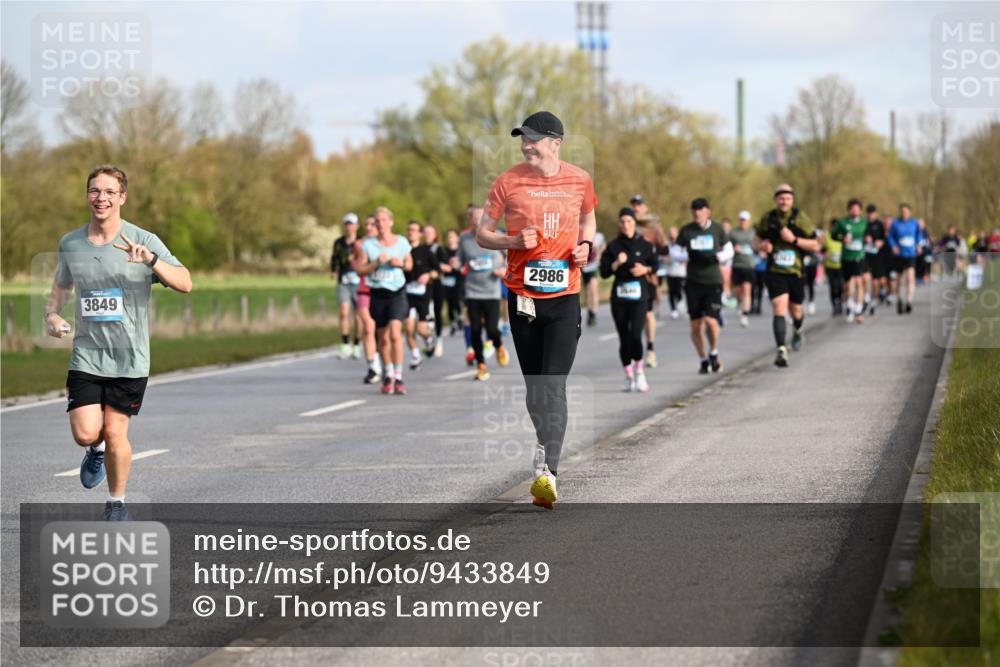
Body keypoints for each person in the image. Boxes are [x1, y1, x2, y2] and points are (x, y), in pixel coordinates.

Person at [45, 165, 193, 521]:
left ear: (122, 197)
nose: (102, 198)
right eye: (95, 191)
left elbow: (186, 282)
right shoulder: (71, 243)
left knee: (115, 431)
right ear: (87, 196)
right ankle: (92, 451)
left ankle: (116, 504)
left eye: (110, 192)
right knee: (86, 433)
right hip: (87, 355)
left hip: (130, 357)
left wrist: (152, 261)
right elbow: (63, 284)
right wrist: (52, 314)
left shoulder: (143, 240)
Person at [475, 111, 597, 510]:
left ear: (555, 143)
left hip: (564, 299)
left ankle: (549, 474)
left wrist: (586, 246)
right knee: (534, 390)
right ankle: (544, 444)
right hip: (523, 299)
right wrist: (511, 240)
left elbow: (589, 218)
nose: (526, 145)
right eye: (522, 140)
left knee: (553, 385)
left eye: (533, 139)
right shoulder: (507, 181)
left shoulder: (579, 179)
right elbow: (482, 234)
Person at [755, 184, 820, 368]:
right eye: (781, 198)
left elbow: (815, 245)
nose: (784, 201)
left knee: (796, 310)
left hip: (796, 271)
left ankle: (798, 329)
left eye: (788, 198)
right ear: (776, 199)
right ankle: (781, 349)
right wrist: (762, 245)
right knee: (779, 306)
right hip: (775, 271)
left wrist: (794, 240)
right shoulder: (768, 218)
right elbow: (757, 238)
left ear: (792, 200)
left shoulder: (800, 218)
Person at [356, 207, 413, 394]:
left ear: (391, 222)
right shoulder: (368, 245)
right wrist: (376, 263)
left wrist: (401, 264)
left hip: (397, 292)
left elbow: (409, 264)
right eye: (377, 221)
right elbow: (360, 270)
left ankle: (398, 377)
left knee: (396, 333)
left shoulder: (402, 242)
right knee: (383, 337)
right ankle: (387, 374)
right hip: (378, 294)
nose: (380, 224)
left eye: (383, 220)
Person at [600, 207, 658, 391]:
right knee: (624, 338)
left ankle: (639, 371)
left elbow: (655, 265)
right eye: (622, 221)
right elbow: (604, 272)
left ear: (634, 223)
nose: (626, 225)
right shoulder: (613, 246)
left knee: (635, 335)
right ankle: (628, 375)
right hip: (619, 298)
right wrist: (617, 262)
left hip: (639, 297)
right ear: (619, 224)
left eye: (629, 221)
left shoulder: (645, 245)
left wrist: (645, 270)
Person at [677, 198, 732, 373]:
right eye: (694, 210)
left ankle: (714, 352)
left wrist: (716, 258)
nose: (697, 213)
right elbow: (675, 251)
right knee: (695, 326)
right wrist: (688, 256)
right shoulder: (686, 231)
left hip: (713, 281)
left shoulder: (717, 229)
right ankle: (703, 359)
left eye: (700, 209)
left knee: (711, 321)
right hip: (693, 282)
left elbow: (729, 249)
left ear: (708, 211)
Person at [458, 213, 509, 381]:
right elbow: (459, 261)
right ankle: (481, 365)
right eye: (473, 218)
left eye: (479, 218)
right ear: (470, 221)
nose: (476, 221)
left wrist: (503, 270)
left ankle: (499, 345)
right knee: (475, 329)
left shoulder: (498, 237)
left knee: (492, 328)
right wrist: (456, 265)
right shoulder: (464, 240)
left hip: (492, 291)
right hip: (472, 291)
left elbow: (511, 258)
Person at [404, 220, 436, 370]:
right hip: (407, 294)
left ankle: (429, 338)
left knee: (420, 329)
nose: (411, 232)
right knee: (409, 328)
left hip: (422, 295)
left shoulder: (426, 251)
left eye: (414, 230)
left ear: (420, 234)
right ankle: (416, 355)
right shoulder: (403, 250)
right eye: (409, 230)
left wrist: (428, 275)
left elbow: (437, 271)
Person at [831, 198, 869, 324]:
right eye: (853, 208)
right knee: (847, 285)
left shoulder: (864, 222)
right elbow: (833, 235)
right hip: (846, 257)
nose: (855, 210)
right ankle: (849, 303)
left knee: (858, 280)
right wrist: (842, 238)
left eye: (857, 208)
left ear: (860, 210)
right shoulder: (842, 223)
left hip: (859, 256)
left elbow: (871, 235)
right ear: (849, 210)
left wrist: (870, 239)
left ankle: (858, 310)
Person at [331, 212, 363, 359]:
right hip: (343, 280)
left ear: (356, 226)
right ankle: (345, 344)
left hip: (358, 281)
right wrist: (333, 271)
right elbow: (334, 258)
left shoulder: (362, 243)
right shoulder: (339, 243)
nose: (349, 227)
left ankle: (356, 344)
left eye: (351, 224)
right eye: (346, 224)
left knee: (358, 315)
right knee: (344, 312)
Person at [354, 215, 381, 383]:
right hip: (365, 290)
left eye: (373, 224)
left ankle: (386, 365)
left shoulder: (388, 244)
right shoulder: (360, 245)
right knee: (369, 327)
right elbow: (358, 267)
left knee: (381, 331)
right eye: (367, 224)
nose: (370, 227)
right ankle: (373, 366)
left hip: (383, 291)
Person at [888, 203, 922, 314]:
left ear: (910, 212)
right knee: (900, 280)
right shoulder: (895, 223)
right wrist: (893, 246)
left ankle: (909, 301)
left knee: (911, 277)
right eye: (902, 212)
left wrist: (919, 245)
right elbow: (890, 237)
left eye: (906, 212)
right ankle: (900, 299)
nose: (904, 214)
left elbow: (919, 236)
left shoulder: (914, 223)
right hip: (899, 255)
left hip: (911, 254)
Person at [729, 211, 757, 327]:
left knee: (747, 288)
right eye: (741, 219)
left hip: (749, 265)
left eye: (745, 219)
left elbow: (758, 246)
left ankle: (744, 314)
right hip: (736, 264)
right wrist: (733, 248)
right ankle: (740, 303)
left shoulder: (753, 233)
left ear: (748, 221)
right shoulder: (733, 233)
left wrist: (754, 248)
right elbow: (725, 246)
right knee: (737, 291)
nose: (743, 221)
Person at [424, 223, 447, 357]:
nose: (427, 235)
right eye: (425, 232)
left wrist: (436, 271)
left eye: (430, 232)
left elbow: (445, 266)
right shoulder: (420, 249)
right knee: (426, 314)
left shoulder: (438, 249)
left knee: (437, 313)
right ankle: (429, 340)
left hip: (437, 284)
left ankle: (438, 340)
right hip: (424, 286)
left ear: (435, 235)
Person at [863, 204, 888, 313]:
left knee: (881, 280)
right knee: (872, 280)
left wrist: (880, 242)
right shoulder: (864, 224)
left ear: (876, 214)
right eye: (869, 213)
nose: (870, 215)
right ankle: (871, 300)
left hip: (879, 255)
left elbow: (885, 239)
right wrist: (865, 239)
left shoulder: (880, 225)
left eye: (872, 213)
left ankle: (882, 291)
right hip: (866, 255)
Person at [440, 228, 465, 336]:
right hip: (447, 279)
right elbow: (439, 263)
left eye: (452, 236)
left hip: (459, 278)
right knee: (449, 303)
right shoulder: (443, 251)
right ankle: (453, 323)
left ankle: (460, 316)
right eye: (448, 237)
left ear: (457, 238)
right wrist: (443, 266)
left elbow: (465, 263)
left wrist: (458, 265)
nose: (450, 239)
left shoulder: (461, 250)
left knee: (457, 299)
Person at [581, 229, 606, 326]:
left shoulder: (599, 236)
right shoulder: (581, 235)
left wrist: (599, 255)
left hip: (594, 266)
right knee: (587, 291)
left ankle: (594, 313)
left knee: (593, 289)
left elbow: (604, 246)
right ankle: (589, 312)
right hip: (584, 267)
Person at [820, 226, 844, 315]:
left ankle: (840, 304)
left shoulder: (842, 236)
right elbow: (821, 249)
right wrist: (824, 254)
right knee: (833, 287)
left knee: (841, 286)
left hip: (841, 266)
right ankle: (834, 306)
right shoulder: (827, 236)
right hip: (830, 266)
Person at [665, 225, 688, 319]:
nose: (672, 235)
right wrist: (666, 259)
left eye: (674, 233)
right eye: (670, 233)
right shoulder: (667, 245)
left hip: (680, 272)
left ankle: (680, 303)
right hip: (670, 271)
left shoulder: (683, 245)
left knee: (678, 290)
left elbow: (687, 257)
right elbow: (662, 257)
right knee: (671, 291)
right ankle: (673, 310)